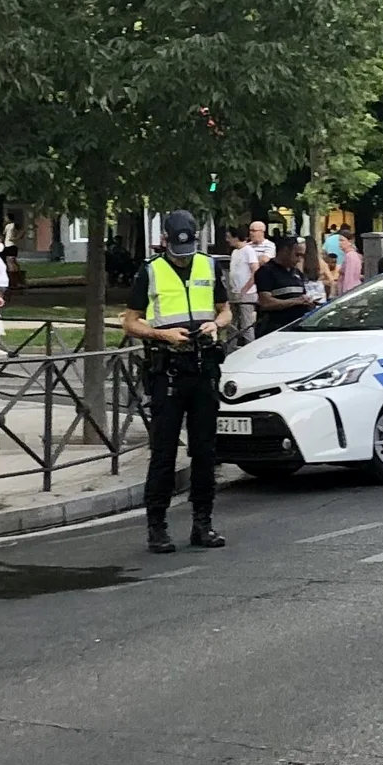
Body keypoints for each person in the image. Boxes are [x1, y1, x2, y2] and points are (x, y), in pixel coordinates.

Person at [122, 210, 232, 554]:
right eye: (176, 251)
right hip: (167, 369)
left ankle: (203, 524)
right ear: (165, 241)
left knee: (204, 450)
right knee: (164, 451)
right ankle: (157, 527)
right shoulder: (150, 270)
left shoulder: (209, 265)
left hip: (203, 367)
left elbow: (225, 309)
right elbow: (129, 322)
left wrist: (216, 324)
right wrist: (162, 334)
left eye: (187, 252)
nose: (182, 259)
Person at [254, 236, 318, 338]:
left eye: (302, 256)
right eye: (297, 255)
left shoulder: (296, 273)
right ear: (285, 251)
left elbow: (302, 296)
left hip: (296, 329)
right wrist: (296, 301)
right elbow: (265, 302)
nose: (299, 260)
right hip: (274, 329)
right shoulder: (266, 272)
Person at [229, 220, 275, 347]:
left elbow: (263, 263)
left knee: (246, 323)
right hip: (236, 290)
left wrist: (246, 288)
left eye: (254, 231)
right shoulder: (243, 248)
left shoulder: (267, 246)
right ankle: (231, 348)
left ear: (262, 232)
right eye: (250, 230)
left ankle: (250, 347)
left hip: (252, 290)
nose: (252, 233)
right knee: (233, 323)